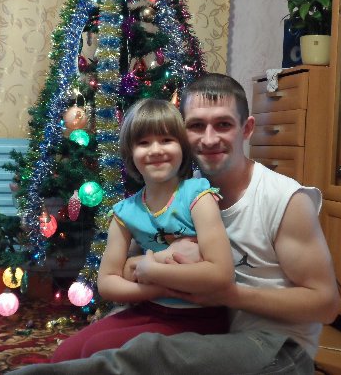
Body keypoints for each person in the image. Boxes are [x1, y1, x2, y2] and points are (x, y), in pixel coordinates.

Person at [10, 73, 339, 374]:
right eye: (196, 126)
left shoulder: (285, 199)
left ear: (247, 128)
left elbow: (325, 306)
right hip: (211, 335)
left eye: (223, 124)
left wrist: (224, 294)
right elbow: (130, 267)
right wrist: (149, 265)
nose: (209, 139)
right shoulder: (181, 191)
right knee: (82, 348)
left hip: (277, 347)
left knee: (147, 354)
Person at [50, 98, 234, 362]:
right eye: (144, 143)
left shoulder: (197, 195)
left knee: (96, 349)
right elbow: (107, 283)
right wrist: (160, 287)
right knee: (64, 354)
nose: (155, 150)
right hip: (150, 307)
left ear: (182, 147)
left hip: (199, 317)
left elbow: (221, 274)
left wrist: (150, 271)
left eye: (166, 140)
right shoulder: (125, 212)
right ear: (130, 153)